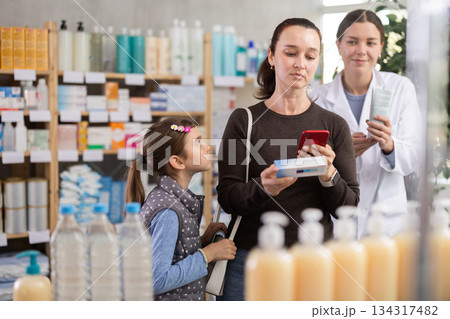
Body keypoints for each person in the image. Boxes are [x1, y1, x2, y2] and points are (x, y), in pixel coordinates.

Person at [217, 18, 359, 301]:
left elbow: (349, 205)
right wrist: (263, 187)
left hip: (314, 261)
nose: (301, 64)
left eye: (310, 55)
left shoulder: (335, 125)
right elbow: (227, 197)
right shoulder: (244, 120)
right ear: (271, 56)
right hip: (249, 263)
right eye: (290, 53)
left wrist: (328, 174)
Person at [311, 9, 422, 238]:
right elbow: (309, 163)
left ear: (381, 46)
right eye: (352, 42)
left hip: (388, 224)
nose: (361, 51)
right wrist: (343, 153)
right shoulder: (318, 98)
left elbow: (414, 156)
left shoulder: (401, 88)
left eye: (371, 43)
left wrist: (389, 146)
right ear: (339, 45)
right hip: (337, 221)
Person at [126, 117, 237, 301]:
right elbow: (158, 279)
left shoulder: (171, 200)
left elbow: (174, 255)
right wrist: (208, 254)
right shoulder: (168, 211)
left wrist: (202, 241)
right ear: (177, 161)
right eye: (198, 143)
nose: (207, 147)